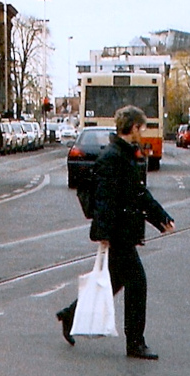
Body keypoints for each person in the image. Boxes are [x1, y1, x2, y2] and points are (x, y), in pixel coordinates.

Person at [56, 105, 174, 359]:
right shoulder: (114, 157)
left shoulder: (126, 154)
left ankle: (70, 315)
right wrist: (104, 234)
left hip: (123, 230)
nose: (142, 133)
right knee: (137, 284)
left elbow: (139, 194)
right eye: (141, 128)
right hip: (118, 232)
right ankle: (135, 343)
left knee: (115, 281)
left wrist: (161, 218)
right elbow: (105, 199)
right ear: (132, 128)